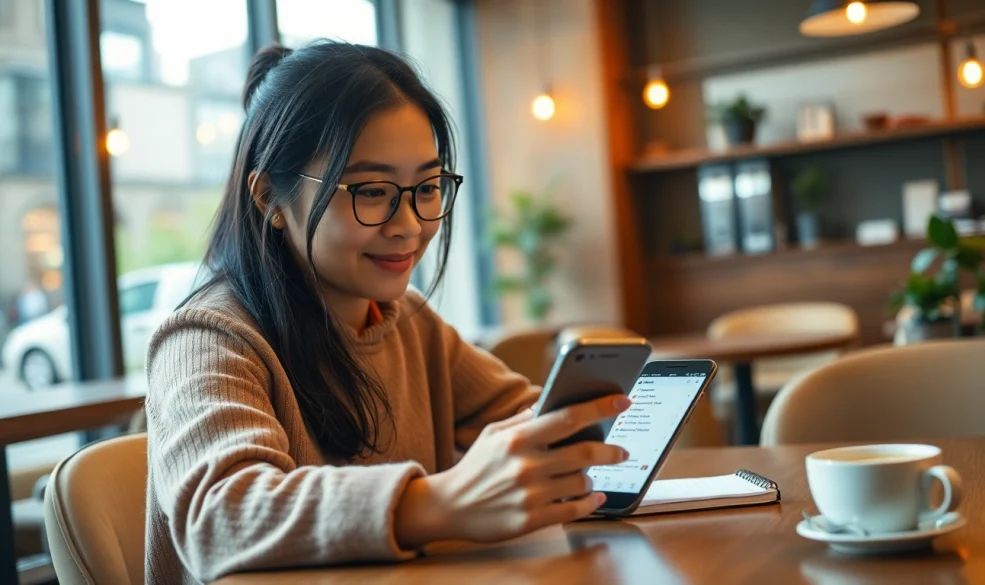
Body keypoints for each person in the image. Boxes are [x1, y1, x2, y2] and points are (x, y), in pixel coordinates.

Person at [145, 41, 630, 584]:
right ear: (268, 199)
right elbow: (220, 516)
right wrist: (435, 504)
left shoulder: (405, 320)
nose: (410, 224)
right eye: (372, 191)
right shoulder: (207, 337)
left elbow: (526, 420)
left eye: (426, 187)